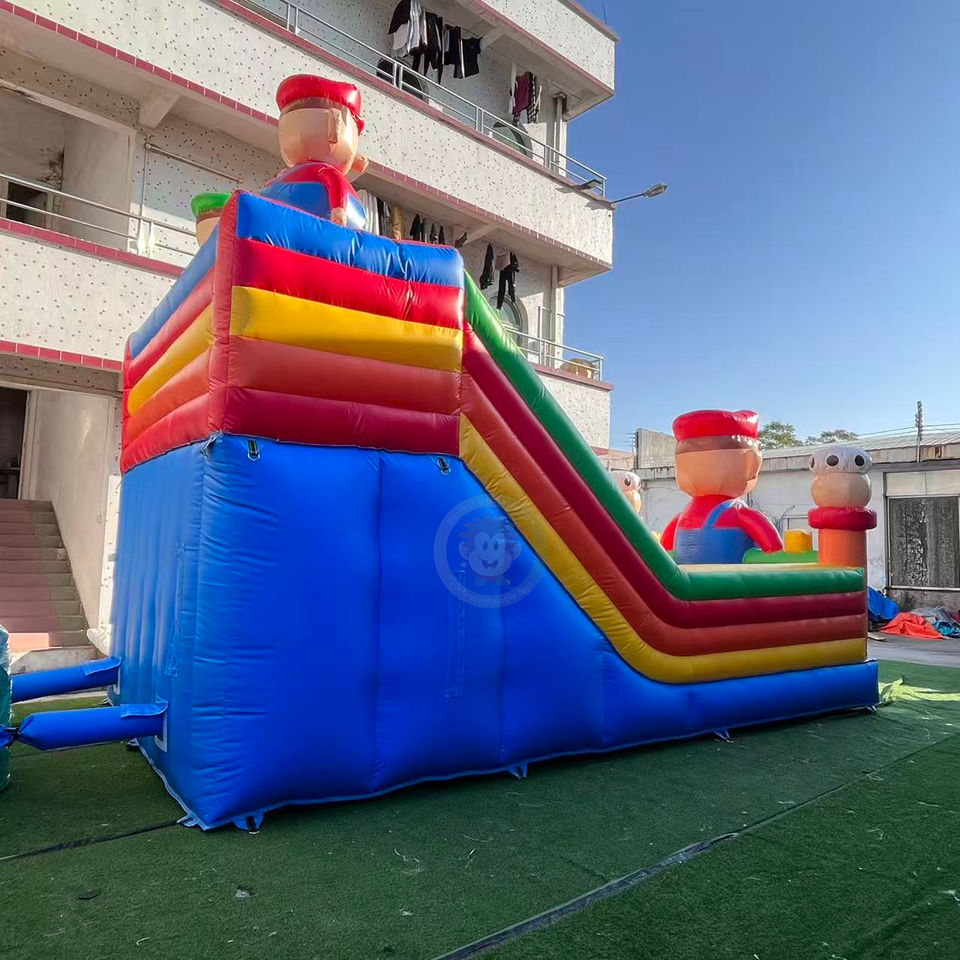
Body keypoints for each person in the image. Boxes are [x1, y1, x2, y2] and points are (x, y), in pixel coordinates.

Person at [660, 409, 783, 564]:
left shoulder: (684, 516)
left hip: (691, 577)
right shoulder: (738, 513)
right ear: (751, 464)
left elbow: (663, 550)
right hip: (726, 577)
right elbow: (773, 549)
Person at [262, 75, 369, 229]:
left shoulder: (323, 170)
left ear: (335, 125)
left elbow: (335, 182)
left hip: (312, 225)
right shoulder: (293, 172)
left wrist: (338, 208)